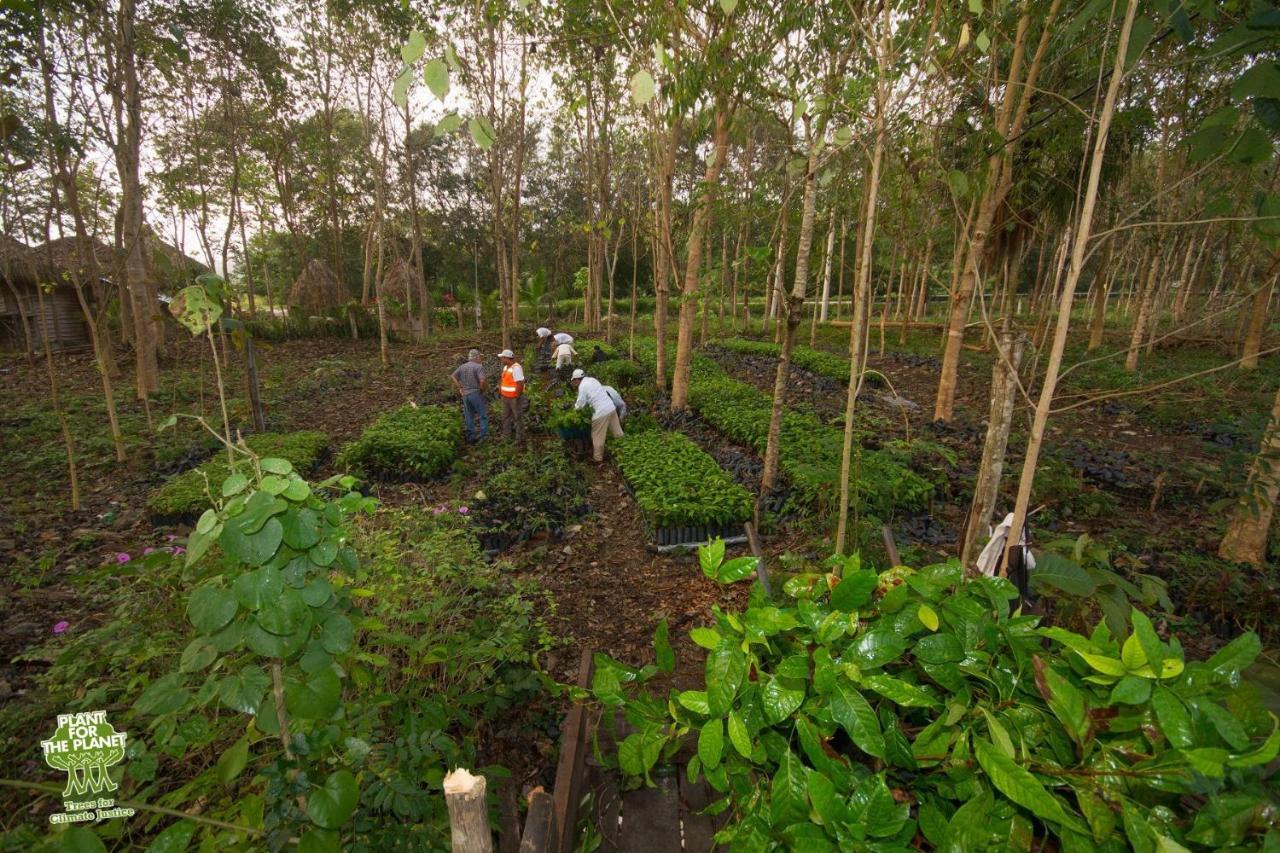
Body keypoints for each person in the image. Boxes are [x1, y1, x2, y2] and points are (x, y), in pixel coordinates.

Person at [571, 368, 623, 462]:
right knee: (618, 432)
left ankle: (598, 459)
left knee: (597, 437)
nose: (575, 383)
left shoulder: (582, 386)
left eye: (574, 381)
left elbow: (580, 404)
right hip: (611, 407)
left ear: (577, 379)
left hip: (600, 413)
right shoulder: (592, 380)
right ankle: (624, 451)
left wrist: (574, 411)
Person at [450, 349, 488, 443]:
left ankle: (471, 437)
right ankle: (484, 436)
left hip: (465, 395)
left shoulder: (462, 367)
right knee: (482, 415)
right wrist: (482, 390)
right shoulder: (479, 367)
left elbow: (453, 376)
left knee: (469, 416)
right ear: (476, 357)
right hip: (475, 393)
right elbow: (482, 381)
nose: (481, 358)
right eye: (480, 356)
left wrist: (460, 387)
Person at [497, 348, 527, 442]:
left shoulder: (516, 368)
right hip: (505, 397)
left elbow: (520, 383)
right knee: (505, 417)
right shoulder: (506, 368)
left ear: (507, 358)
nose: (501, 359)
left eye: (502, 358)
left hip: (514, 398)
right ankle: (506, 436)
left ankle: (520, 437)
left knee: (517, 417)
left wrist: (517, 396)